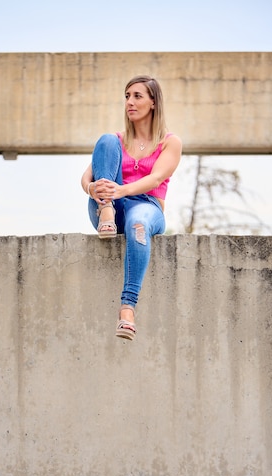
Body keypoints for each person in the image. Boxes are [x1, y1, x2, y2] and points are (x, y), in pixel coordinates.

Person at [81, 75, 182, 341]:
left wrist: (121, 190)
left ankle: (127, 308)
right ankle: (106, 210)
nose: (130, 102)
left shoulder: (169, 142)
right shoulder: (116, 141)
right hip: (109, 208)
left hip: (147, 206)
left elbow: (156, 178)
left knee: (138, 226)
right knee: (104, 139)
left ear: (153, 103)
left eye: (137, 96)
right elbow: (86, 178)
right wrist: (95, 191)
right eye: (127, 96)